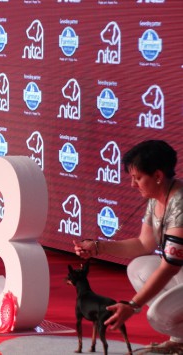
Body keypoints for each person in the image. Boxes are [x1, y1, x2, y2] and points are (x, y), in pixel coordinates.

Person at [74, 140, 183, 354]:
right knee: (137, 267)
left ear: (158, 176)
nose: (133, 184)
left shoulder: (180, 204)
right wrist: (98, 247)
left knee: (157, 316)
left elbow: (170, 266)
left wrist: (133, 305)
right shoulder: (158, 197)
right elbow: (143, 244)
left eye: (138, 178)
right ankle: (180, 340)